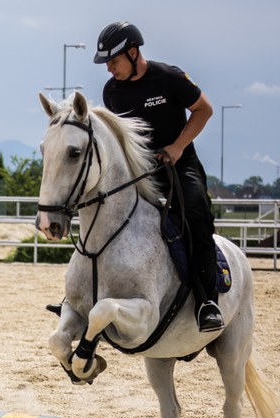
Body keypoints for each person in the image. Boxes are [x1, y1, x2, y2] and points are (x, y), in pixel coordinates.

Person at [93, 21, 224, 332]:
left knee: (196, 213)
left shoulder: (169, 77)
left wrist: (177, 146)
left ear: (134, 53)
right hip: (138, 171)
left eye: (114, 61)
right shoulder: (112, 92)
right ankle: (83, 295)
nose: (110, 69)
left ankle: (208, 301)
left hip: (178, 164)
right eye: (108, 64)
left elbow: (204, 109)